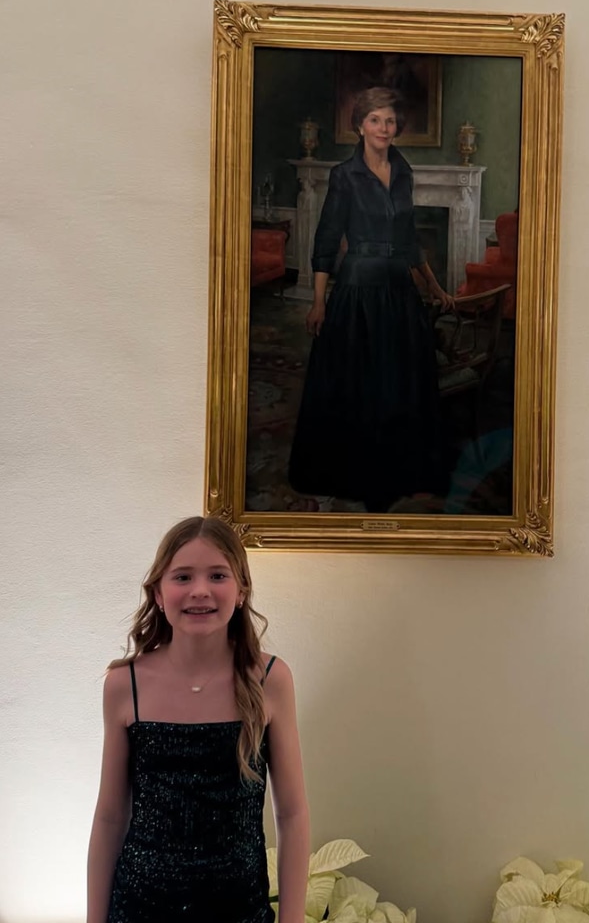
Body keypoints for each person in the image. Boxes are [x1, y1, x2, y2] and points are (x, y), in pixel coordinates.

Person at [87, 516, 310, 923]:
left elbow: (292, 815)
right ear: (158, 592)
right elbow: (109, 816)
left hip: (239, 908)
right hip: (139, 907)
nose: (200, 591)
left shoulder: (271, 679)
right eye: (183, 577)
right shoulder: (124, 683)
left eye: (218, 575)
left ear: (241, 591)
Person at [289, 87, 454, 512]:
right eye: (376, 119)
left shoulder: (404, 171)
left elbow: (410, 239)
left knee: (401, 384)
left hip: (399, 288)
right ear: (360, 125)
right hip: (358, 289)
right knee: (358, 383)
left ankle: (407, 473)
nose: (384, 128)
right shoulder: (345, 176)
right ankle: (353, 476)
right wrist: (319, 300)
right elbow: (327, 238)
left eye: (390, 121)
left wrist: (433, 286)